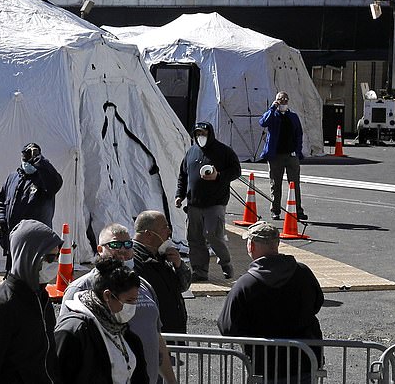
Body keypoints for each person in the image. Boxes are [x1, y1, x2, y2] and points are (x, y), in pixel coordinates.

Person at [61, 224, 176, 384]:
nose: (122, 250)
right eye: (115, 245)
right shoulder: (80, 289)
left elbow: (156, 337)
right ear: (100, 249)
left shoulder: (142, 286)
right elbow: (67, 341)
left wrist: (171, 380)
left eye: (128, 244)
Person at [218, 221, 323, 383]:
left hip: (265, 365)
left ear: (251, 246)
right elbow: (317, 303)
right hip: (305, 360)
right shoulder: (303, 273)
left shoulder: (245, 284)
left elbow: (227, 326)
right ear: (277, 243)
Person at [0, 219, 63, 383]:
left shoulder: (42, 299)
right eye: (51, 258)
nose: (56, 264)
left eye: (57, 256)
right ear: (30, 256)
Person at [55, 257, 149, 384]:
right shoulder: (74, 331)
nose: (133, 306)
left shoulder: (122, 331)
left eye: (135, 300)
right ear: (107, 296)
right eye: (129, 301)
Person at [175, 121, 241, 281]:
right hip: (194, 204)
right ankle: (200, 271)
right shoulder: (191, 152)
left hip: (215, 202)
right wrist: (179, 195)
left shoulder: (223, 151)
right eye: (198, 134)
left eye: (203, 134)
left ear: (210, 134)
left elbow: (236, 171)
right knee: (195, 238)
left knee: (213, 234)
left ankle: (225, 262)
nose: (201, 137)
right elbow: (183, 175)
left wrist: (218, 176)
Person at [0, 142, 63, 272]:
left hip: (35, 243)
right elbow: (2, 202)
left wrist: (39, 160)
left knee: (33, 280)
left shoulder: (44, 179)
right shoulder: (13, 177)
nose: (27, 161)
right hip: (13, 241)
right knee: (12, 277)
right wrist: (0, 220)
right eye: (25, 157)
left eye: (31, 157)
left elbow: (56, 183)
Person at [132, 210, 191, 334]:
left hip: (174, 332)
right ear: (149, 234)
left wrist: (179, 265)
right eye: (165, 228)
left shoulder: (164, 255)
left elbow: (183, 286)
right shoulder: (133, 260)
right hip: (153, 334)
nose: (169, 232)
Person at [259, 91, 308, 220]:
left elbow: (299, 134)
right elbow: (263, 122)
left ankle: (298, 210)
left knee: (294, 183)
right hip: (276, 156)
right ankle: (275, 210)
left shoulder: (293, 116)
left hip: (291, 155)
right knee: (276, 184)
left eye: (286, 100)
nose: (283, 102)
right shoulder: (273, 115)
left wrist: (298, 151)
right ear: (276, 100)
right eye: (281, 99)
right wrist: (273, 108)